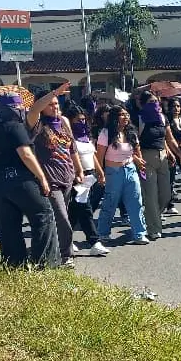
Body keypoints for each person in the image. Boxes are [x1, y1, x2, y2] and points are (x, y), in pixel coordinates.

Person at [0, 93, 59, 268]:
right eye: (18, 106)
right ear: (12, 109)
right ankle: (44, 264)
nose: (22, 109)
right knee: (43, 215)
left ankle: (14, 264)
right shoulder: (15, 126)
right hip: (20, 179)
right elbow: (25, 154)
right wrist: (42, 178)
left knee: (9, 225)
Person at [27, 84, 84, 266]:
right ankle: (66, 256)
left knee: (58, 217)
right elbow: (34, 109)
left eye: (57, 103)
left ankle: (52, 251)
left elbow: (72, 148)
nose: (56, 106)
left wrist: (79, 169)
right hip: (49, 180)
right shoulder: (36, 124)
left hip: (67, 177)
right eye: (51, 104)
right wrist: (54, 92)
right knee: (62, 217)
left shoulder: (64, 122)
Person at [96, 106, 149, 245]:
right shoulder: (106, 133)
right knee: (110, 202)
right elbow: (99, 156)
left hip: (130, 169)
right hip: (113, 172)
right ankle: (103, 233)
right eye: (122, 115)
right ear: (114, 117)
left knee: (136, 202)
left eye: (127, 114)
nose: (126, 117)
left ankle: (139, 233)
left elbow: (136, 151)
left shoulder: (131, 132)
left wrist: (139, 162)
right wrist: (101, 174)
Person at [64, 103, 109, 257]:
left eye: (83, 119)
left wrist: (101, 172)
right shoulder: (68, 138)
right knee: (86, 210)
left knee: (74, 213)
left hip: (90, 177)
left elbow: (93, 155)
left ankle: (65, 240)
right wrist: (77, 173)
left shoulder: (86, 137)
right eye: (77, 120)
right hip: (77, 177)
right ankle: (94, 242)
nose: (81, 123)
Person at [138, 92, 178, 240]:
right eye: (151, 102)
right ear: (142, 104)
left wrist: (177, 154)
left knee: (166, 194)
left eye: (156, 101)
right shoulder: (139, 119)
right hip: (146, 157)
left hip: (162, 156)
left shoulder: (162, 118)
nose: (155, 104)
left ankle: (151, 215)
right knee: (151, 195)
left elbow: (168, 138)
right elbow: (134, 140)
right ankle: (153, 228)